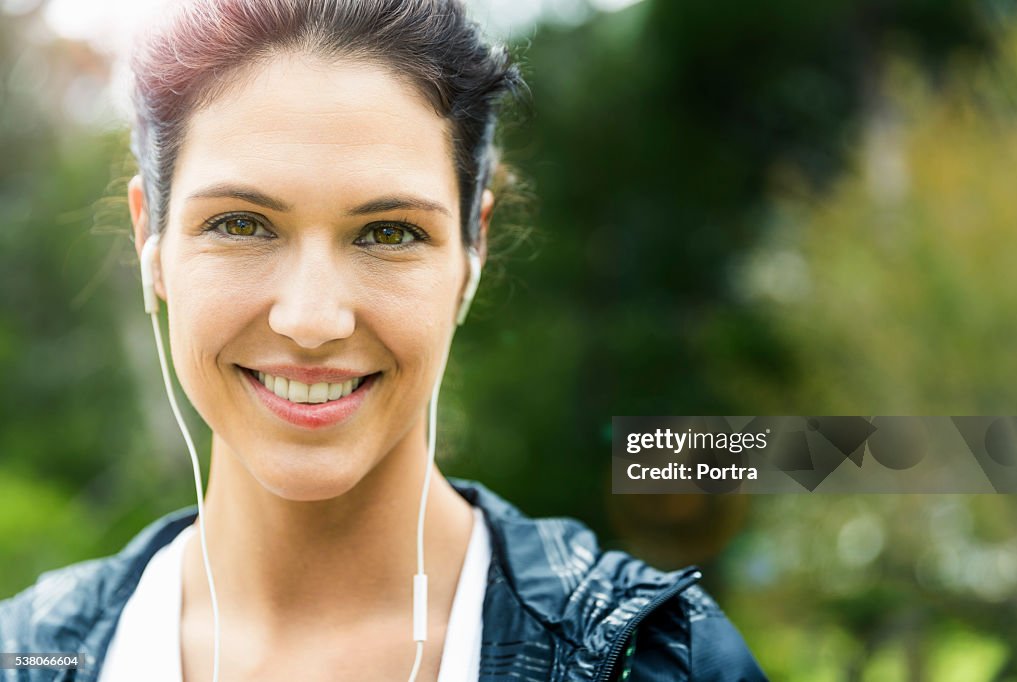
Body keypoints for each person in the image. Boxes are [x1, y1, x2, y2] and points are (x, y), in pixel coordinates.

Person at [0, 0, 766, 679]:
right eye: (240, 224)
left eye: (389, 233)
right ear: (152, 242)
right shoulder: (29, 655)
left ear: (473, 253)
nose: (311, 319)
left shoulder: (655, 659)